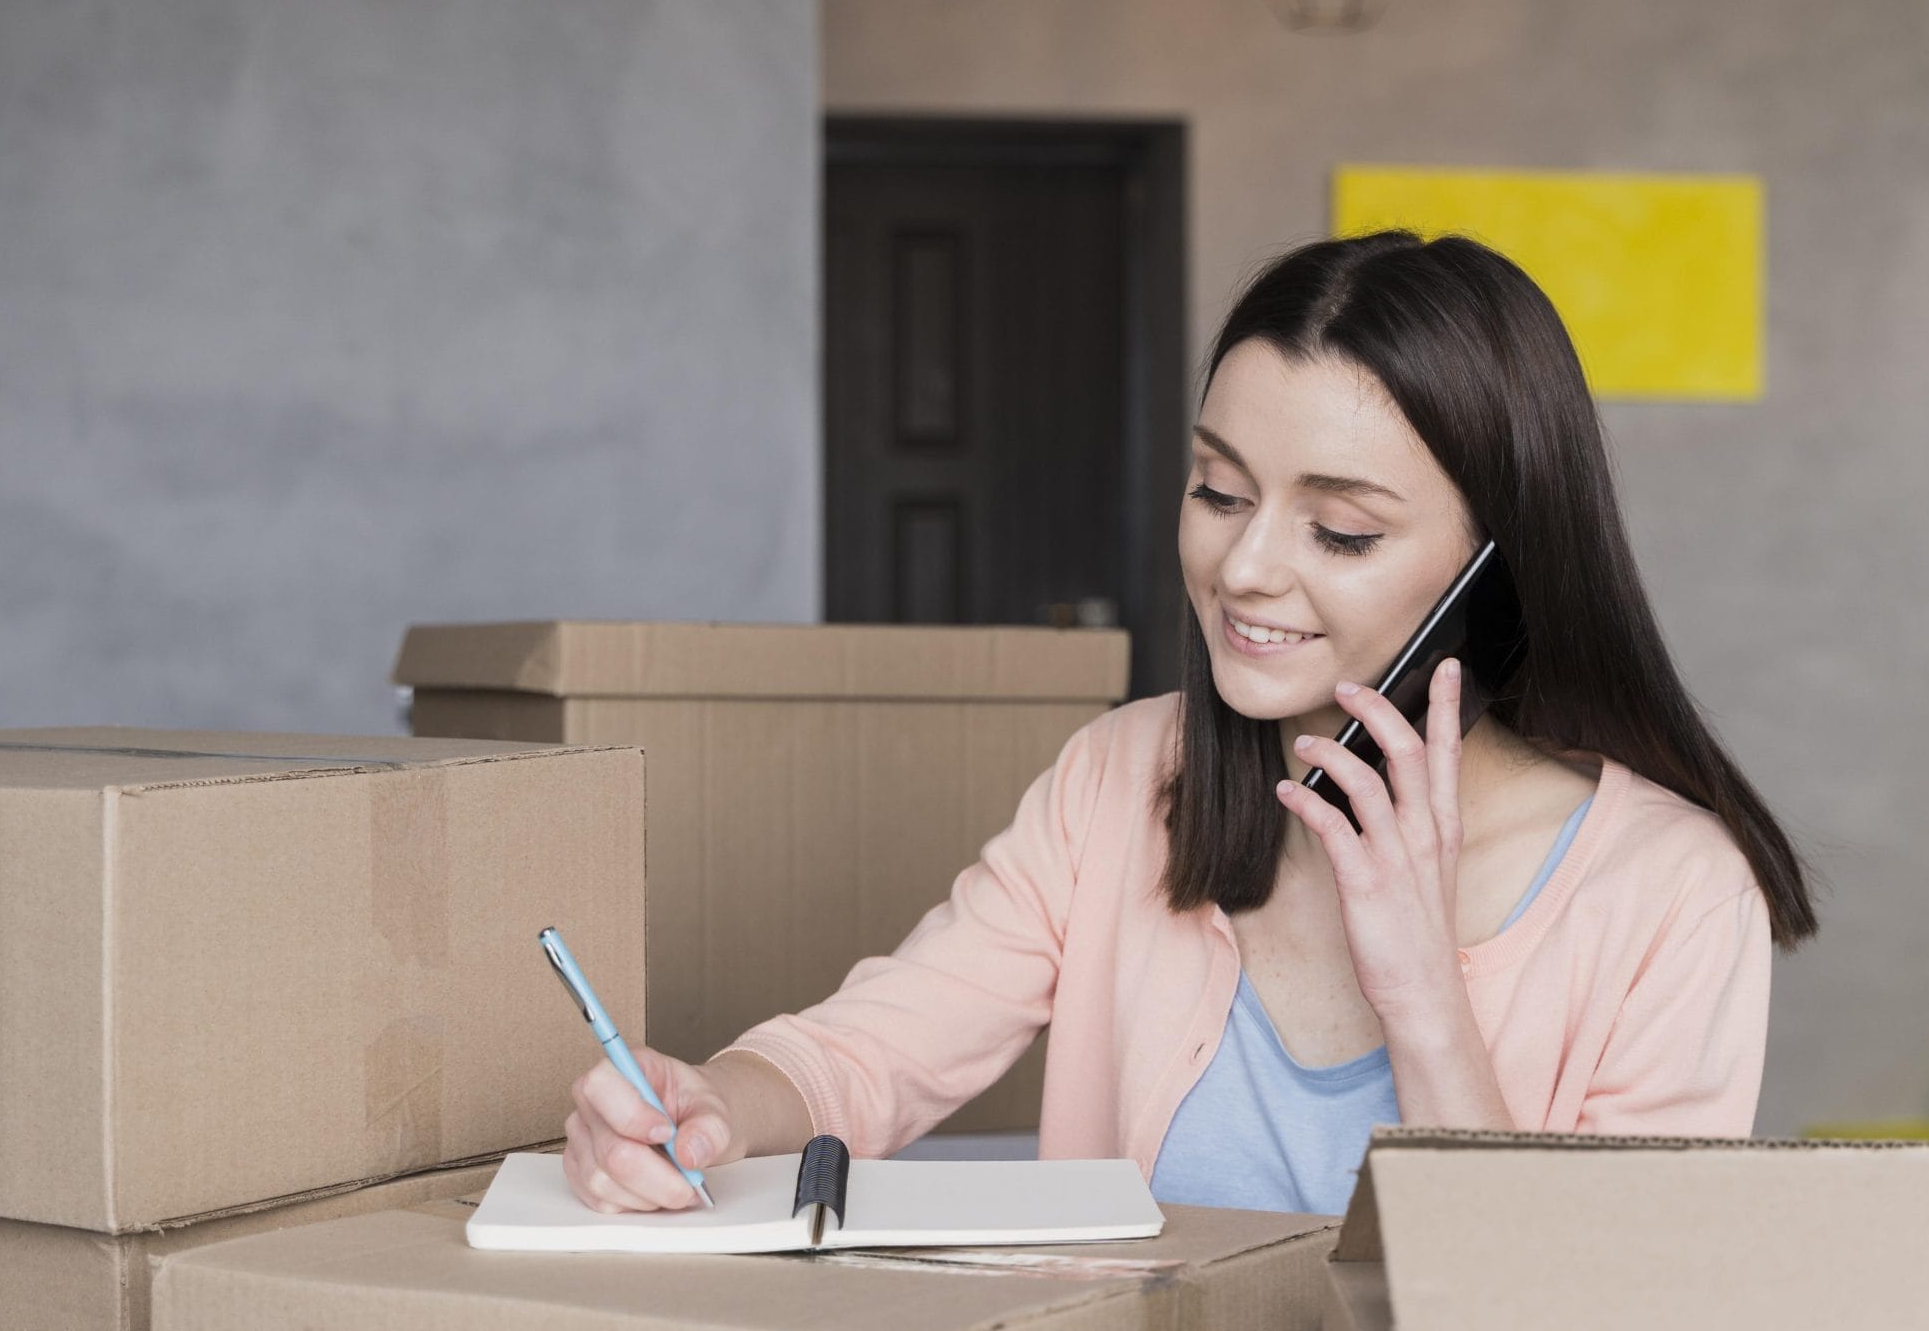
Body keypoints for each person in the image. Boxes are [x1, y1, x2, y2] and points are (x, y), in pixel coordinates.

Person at [563, 230, 1818, 1217]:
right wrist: (708, 1103)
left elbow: (1594, 1329)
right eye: (1219, 490)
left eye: (1340, 530)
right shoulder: (1120, 779)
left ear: (1495, 571)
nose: (1245, 567)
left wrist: (1422, 992)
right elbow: (875, 1052)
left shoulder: (1674, 895)